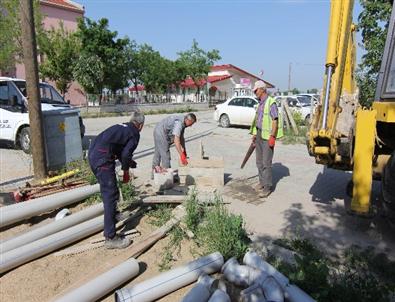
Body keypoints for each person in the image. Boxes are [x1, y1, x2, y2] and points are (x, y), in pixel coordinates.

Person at [88, 111, 145, 249]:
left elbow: (120, 151)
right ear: (141, 125)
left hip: (94, 155)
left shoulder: (124, 127)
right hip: (103, 159)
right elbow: (125, 154)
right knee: (110, 195)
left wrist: (129, 163)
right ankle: (110, 237)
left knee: (111, 192)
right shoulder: (134, 133)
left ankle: (114, 215)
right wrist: (126, 171)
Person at [250, 80, 283, 198]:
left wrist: (272, 136)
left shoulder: (271, 102)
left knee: (266, 162)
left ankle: (267, 187)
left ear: (262, 89)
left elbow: (275, 120)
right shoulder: (260, 103)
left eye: (256, 90)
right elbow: (258, 120)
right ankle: (261, 182)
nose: (254, 92)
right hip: (259, 134)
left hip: (267, 136)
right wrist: (255, 133)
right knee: (259, 161)